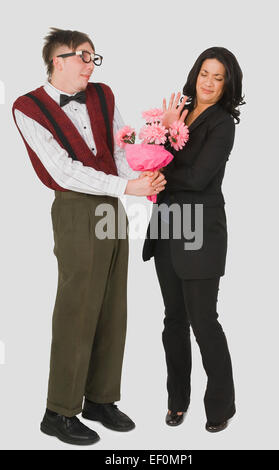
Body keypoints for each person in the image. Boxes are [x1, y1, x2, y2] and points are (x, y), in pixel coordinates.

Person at [12, 27, 166, 446]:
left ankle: (100, 400)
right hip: (75, 209)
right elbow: (61, 170)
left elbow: (118, 148)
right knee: (77, 308)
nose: (89, 65)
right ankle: (58, 411)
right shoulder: (26, 107)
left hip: (111, 207)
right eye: (82, 57)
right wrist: (126, 188)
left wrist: (140, 176)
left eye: (93, 57)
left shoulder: (102, 95)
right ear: (56, 60)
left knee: (114, 305)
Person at [143, 47, 245, 433]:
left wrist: (162, 169)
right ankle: (176, 401)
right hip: (168, 226)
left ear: (227, 84)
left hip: (201, 232)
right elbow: (151, 157)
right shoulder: (180, 112)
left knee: (204, 321)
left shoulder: (223, 124)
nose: (209, 82)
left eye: (219, 77)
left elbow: (200, 178)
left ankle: (221, 406)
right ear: (196, 73)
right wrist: (168, 128)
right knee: (173, 321)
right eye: (205, 73)